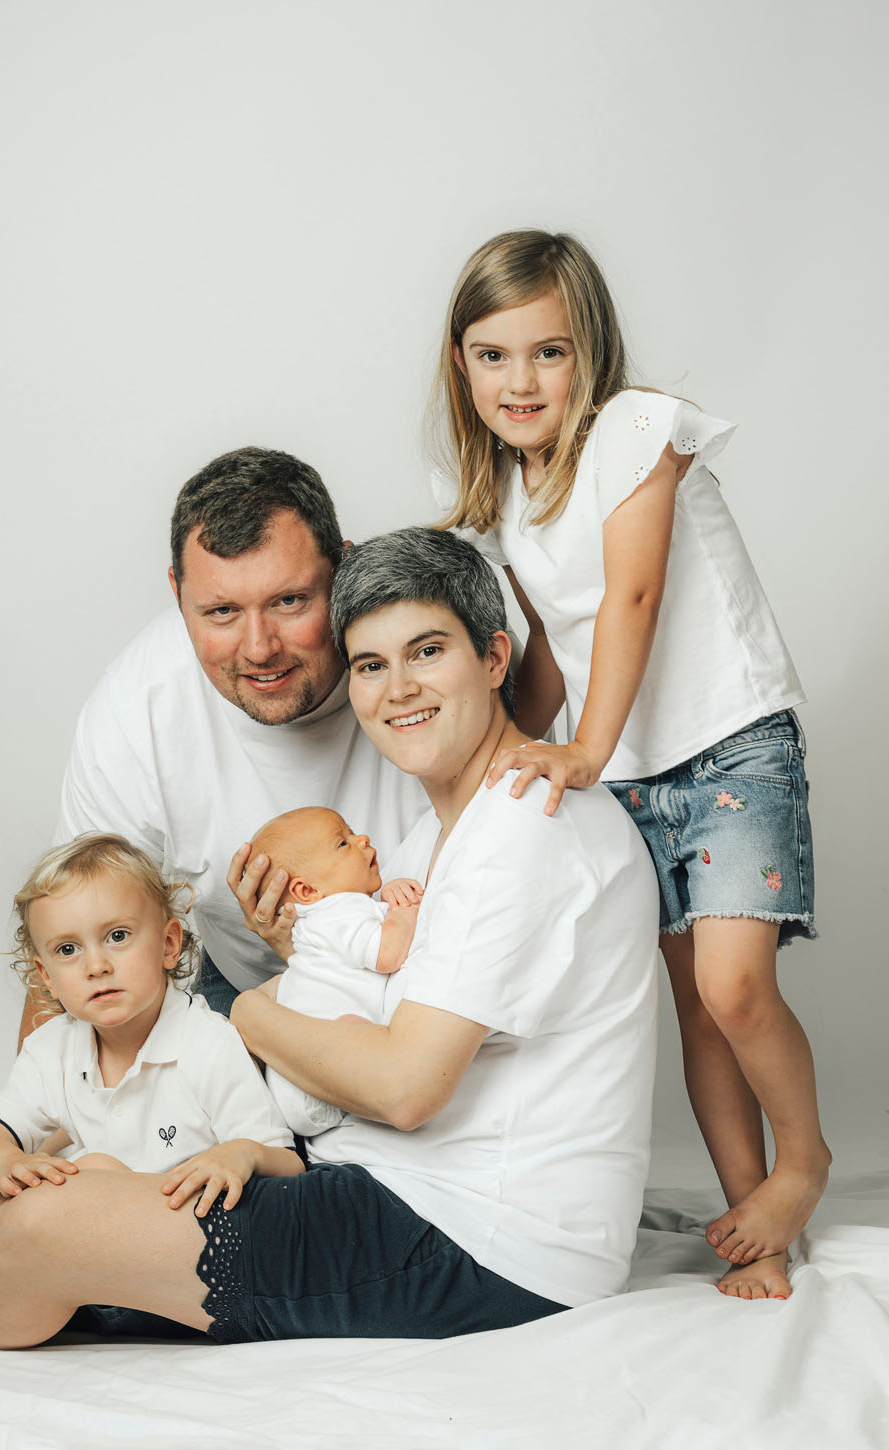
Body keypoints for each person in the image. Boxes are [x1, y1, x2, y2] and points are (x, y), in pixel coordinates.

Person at [0, 528, 660, 1345]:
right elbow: (389, 1003)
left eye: (427, 652)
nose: (399, 689)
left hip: (482, 1240)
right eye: (371, 665)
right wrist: (303, 960)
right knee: (83, 1120)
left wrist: (253, 1013)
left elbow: (406, 1086)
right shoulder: (429, 841)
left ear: (495, 658)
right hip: (375, 1175)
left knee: (48, 1223)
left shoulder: (523, 826)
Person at [0, 446, 424, 1273]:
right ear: (176, 594)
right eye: (220, 612)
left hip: (396, 1006)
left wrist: (308, 962)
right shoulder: (138, 707)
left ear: (342, 570)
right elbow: (75, 933)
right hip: (228, 997)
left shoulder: (410, 673)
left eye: (290, 601)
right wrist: (44, 1136)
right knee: (76, 1128)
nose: (259, 646)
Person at [429, 227, 829, 1300]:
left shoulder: (634, 431)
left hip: (729, 741)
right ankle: (755, 1222)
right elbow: (550, 657)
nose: (521, 381)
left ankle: (803, 1161)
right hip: (632, 773)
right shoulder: (510, 495)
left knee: (734, 985)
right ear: (461, 365)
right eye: (493, 355)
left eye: (548, 352)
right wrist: (486, 769)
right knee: (693, 1006)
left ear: (589, 352)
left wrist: (585, 750)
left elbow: (633, 594)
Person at [0, 834, 300, 1234]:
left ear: (168, 945)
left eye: (117, 936)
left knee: (94, 1168)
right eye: (68, 950)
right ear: (46, 976)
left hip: (186, 1227)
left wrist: (242, 1153)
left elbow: (289, 1165)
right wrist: (6, 1161)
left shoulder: (208, 1041)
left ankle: (56, 1262)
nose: (96, 966)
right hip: (104, 1217)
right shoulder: (53, 1047)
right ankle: (60, 1265)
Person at [249, 805, 423, 1134]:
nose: (362, 839)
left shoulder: (319, 920)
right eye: (343, 843)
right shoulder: (338, 910)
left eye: (352, 832)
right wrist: (405, 909)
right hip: (323, 1072)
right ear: (307, 891)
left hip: (294, 1079)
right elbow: (387, 953)